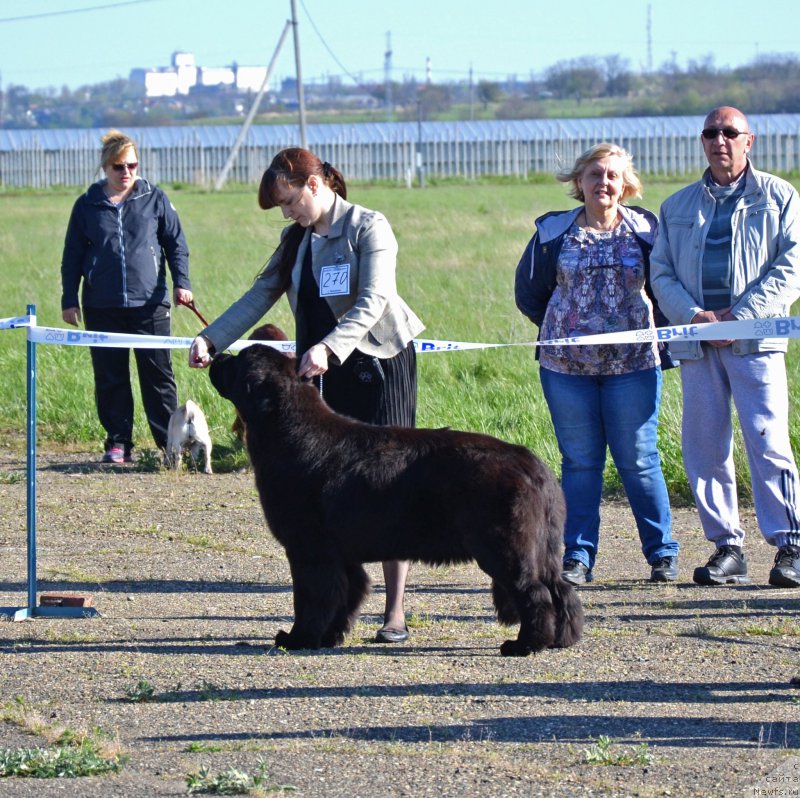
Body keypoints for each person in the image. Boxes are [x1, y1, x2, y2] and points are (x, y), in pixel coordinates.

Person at [189, 147, 425, 641]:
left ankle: (395, 611)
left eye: (290, 200)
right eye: (281, 206)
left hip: (379, 364)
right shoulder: (295, 239)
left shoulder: (368, 226)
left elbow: (373, 299)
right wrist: (213, 338)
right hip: (320, 369)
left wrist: (331, 348)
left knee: (390, 484)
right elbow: (260, 295)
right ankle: (332, 609)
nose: (287, 212)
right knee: (334, 493)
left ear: (315, 185)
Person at [515, 142, 679, 585]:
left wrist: (658, 333)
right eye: (594, 175)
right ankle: (578, 556)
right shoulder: (553, 233)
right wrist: (566, 326)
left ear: (626, 185)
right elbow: (529, 292)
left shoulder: (647, 230)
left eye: (612, 175)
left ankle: (662, 553)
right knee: (581, 463)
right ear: (578, 182)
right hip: (566, 368)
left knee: (640, 460)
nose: (603, 183)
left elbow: (665, 288)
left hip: (634, 365)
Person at [650, 106, 800, 589]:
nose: (720, 140)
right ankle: (727, 548)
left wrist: (742, 315)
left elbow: (791, 264)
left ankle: (790, 544)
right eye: (711, 133)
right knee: (704, 446)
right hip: (698, 343)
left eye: (730, 133)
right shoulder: (676, 206)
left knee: (767, 439)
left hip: (754, 341)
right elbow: (661, 273)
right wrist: (696, 318)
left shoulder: (779, 197)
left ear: (749, 140)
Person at [61, 129, 192, 464]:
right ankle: (118, 443)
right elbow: (72, 254)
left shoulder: (155, 198)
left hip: (150, 304)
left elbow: (175, 243)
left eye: (132, 165)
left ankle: (169, 446)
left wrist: (182, 283)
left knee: (158, 377)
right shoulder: (87, 205)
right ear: (106, 167)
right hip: (101, 306)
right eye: (119, 166)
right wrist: (69, 298)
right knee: (110, 377)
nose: (127, 172)